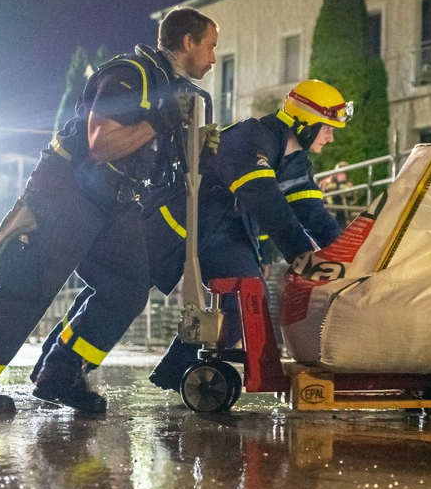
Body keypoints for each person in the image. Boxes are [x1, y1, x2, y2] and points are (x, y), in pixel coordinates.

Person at [0, 7, 219, 415]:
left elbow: (161, 166)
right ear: (188, 42)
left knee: (127, 287)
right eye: (210, 47)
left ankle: (60, 373)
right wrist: (161, 120)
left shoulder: (170, 91)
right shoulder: (131, 74)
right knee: (30, 284)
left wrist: (200, 154)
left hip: (117, 200)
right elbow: (100, 144)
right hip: (71, 189)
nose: (213, 58)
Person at [146, 79, 350, 390]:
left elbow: (313, 214)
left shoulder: (295, 160)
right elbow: (266, 201)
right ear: (307, 123)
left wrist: (350, 256)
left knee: (247, 295)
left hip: (221, 231)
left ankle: (178, 371)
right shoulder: (252, 136)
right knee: (125, 294)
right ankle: (61, 366)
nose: (332, 137)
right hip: (176, 225)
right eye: (327, 127)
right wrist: (302, 254)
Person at [318, 161, 357, 226]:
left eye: (344, 173)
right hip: (331, 212)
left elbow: (353, 199)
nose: (343, 175)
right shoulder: (328, 183)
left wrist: (348, 192)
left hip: (343, 215)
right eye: (341, 173)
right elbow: (322, 194)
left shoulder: (348, 185)